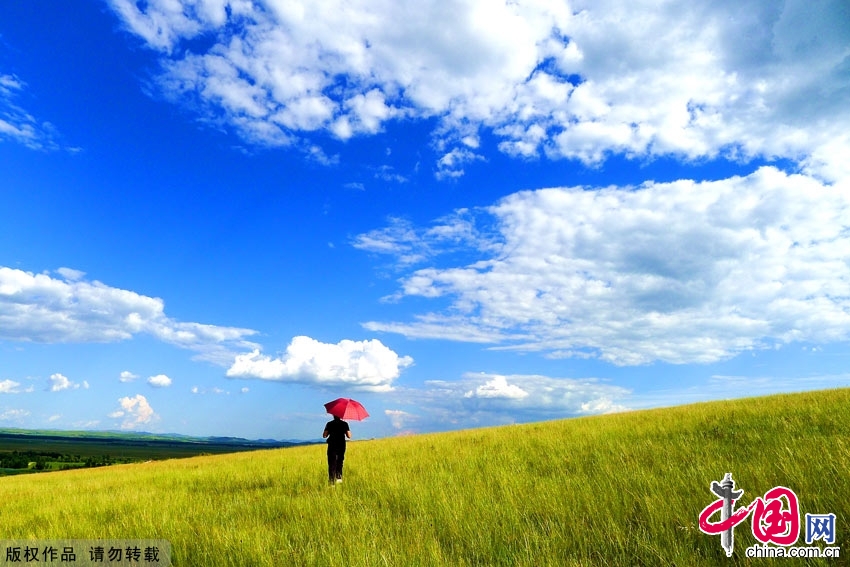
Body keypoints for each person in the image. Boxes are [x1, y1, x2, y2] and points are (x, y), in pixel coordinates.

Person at [323, 415, 351, 484]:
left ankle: (331, 481)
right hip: (341, 444)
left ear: (333, 415)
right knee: (340, 461)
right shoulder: (344, 424)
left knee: (332, 462)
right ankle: (339, 479)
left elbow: (324, 435)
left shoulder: (329, 424)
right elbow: (349, 436)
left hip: (332, 444)